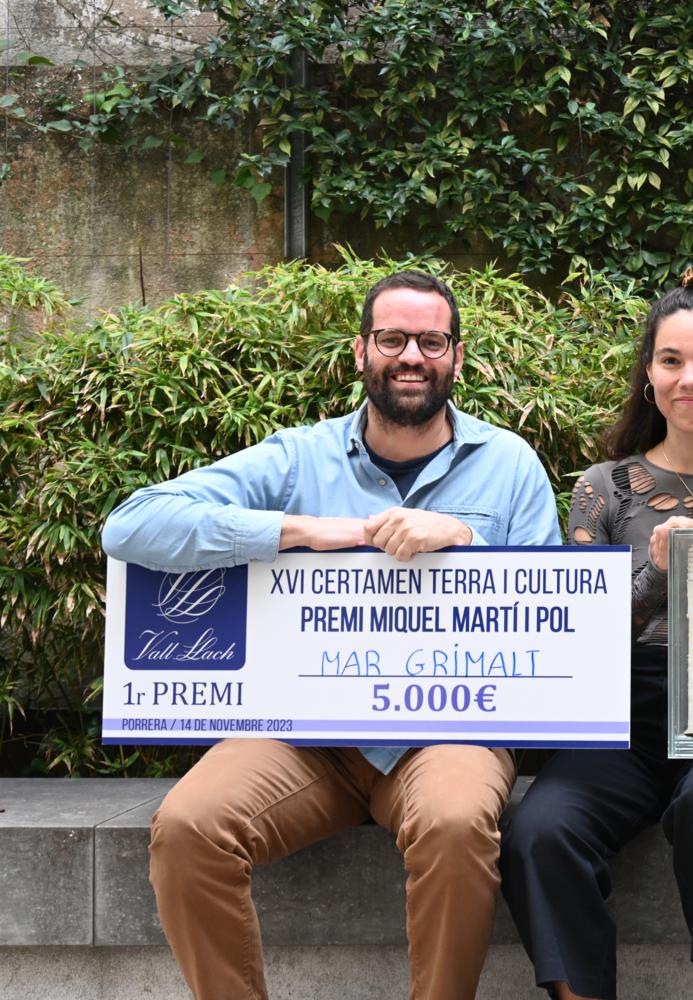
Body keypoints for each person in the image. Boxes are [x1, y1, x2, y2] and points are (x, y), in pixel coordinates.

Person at [100, 270, 561, 1000]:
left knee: (455, 824)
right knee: (189, 827)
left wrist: (466, 539)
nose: (411, 356)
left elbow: (555, 617)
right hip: (303, 735)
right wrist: (303, 531)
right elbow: (132, 525)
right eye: (393, 339)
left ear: (456, 355)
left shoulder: (509, 464)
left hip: (448, 730)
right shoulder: (298, 458)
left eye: (431, 341)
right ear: (360, 351)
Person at [500, 271, 693, 1000]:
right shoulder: (603, 488)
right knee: (540, 831)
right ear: (649, 374)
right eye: (671, 360)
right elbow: (578, 643)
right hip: (621, 715)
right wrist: (654, 576)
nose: (689, 378)